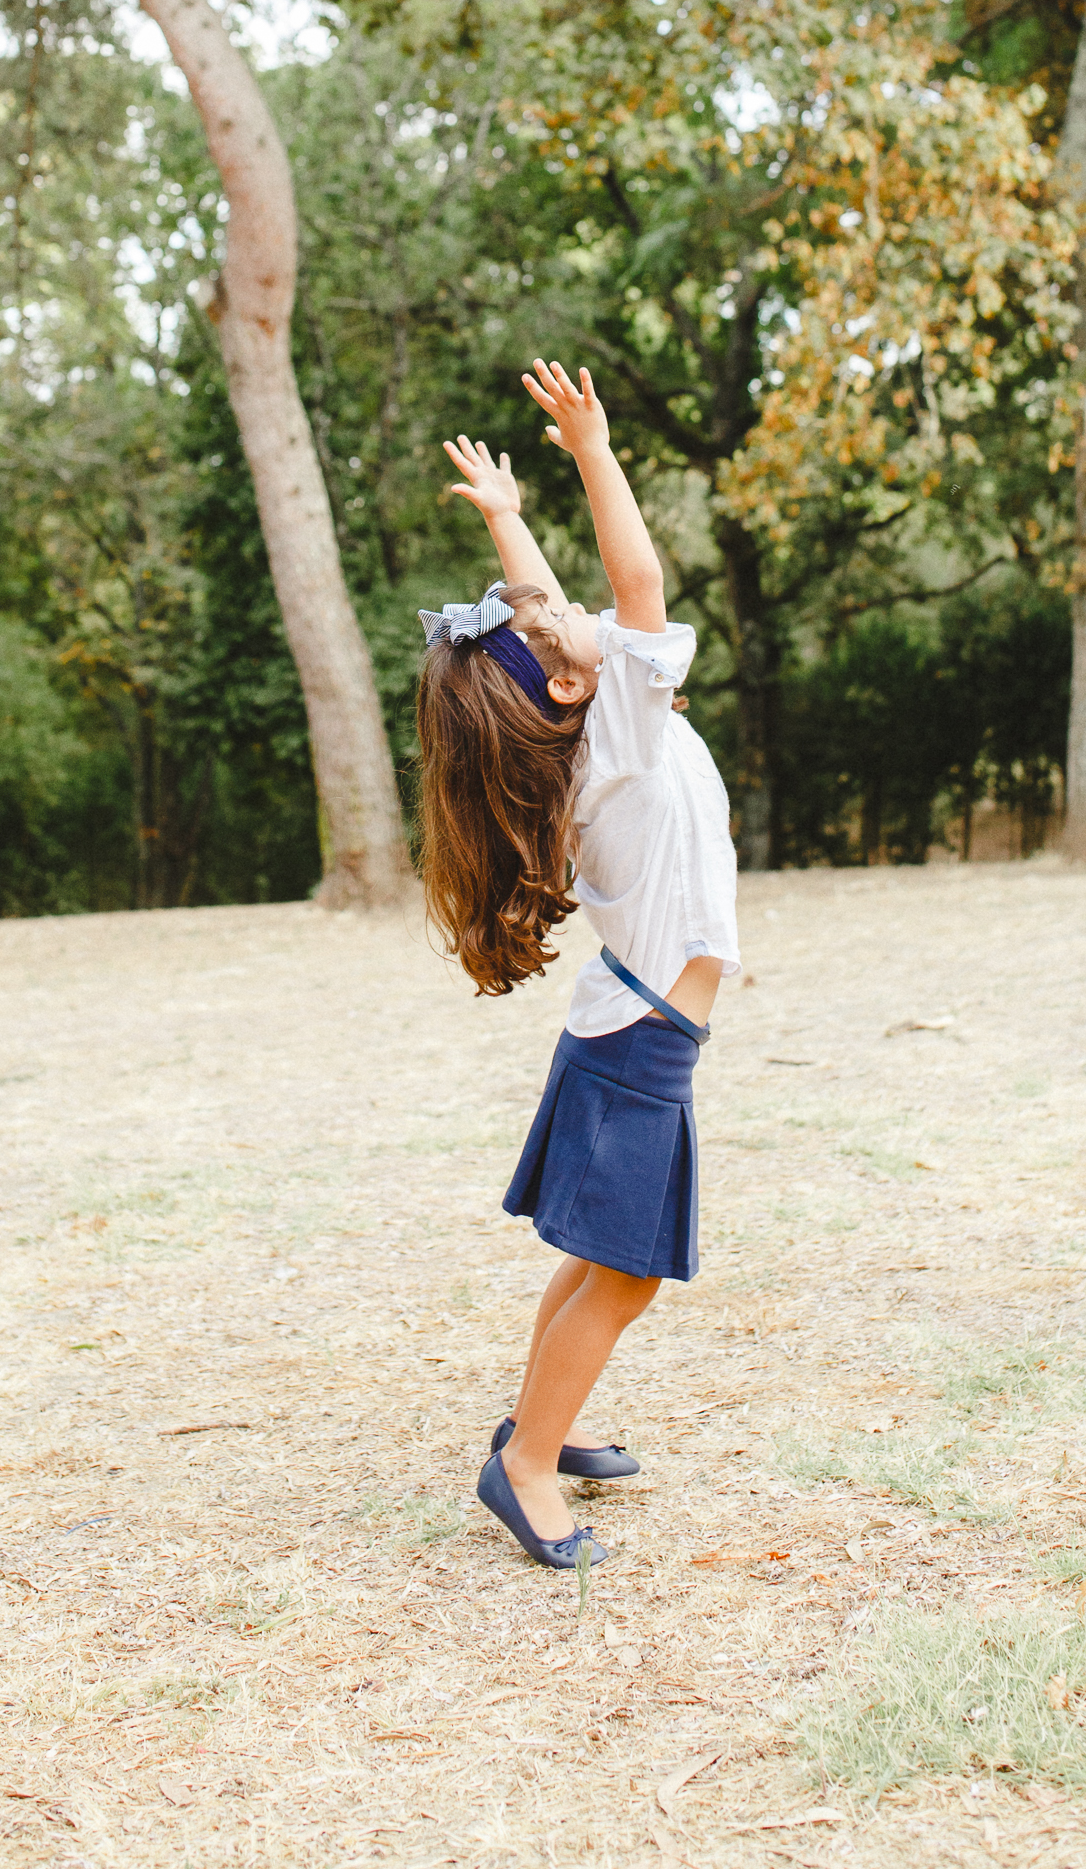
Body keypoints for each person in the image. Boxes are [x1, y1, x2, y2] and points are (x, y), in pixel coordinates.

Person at [416, 358, 740, 1571]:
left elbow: (547, 613)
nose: (555, 609)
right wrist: (593, 450)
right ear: (566, 679)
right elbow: (634, 582)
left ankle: (536, 1422)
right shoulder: (622, 724)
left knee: (597, 1261)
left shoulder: (575, 730)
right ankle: (526, 1466)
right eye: (550, 628)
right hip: (644, 1035)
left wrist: (508, 517)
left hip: (631, 1023)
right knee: (623, 1275)